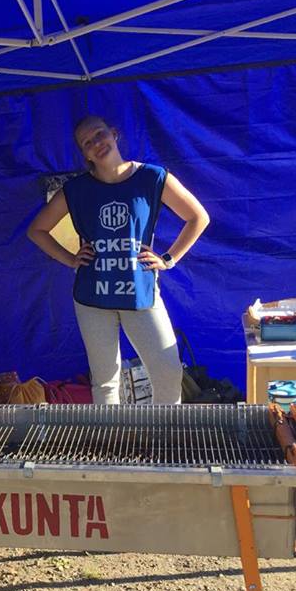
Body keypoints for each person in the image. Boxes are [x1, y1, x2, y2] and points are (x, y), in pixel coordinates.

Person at [27, 115, 209, 405]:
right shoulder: (76, 190)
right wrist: (70, 259)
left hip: (140, 293)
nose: (96, 143)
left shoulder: (152, 178)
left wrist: (169, 258)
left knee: (168, 372)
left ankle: (163, 434)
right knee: (105, 381)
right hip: (93, 298)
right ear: (85, 154)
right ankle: (112, 435)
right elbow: (37, 230)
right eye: (87, 143)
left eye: (99, 134)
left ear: (114, 133)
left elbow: (198, 217)